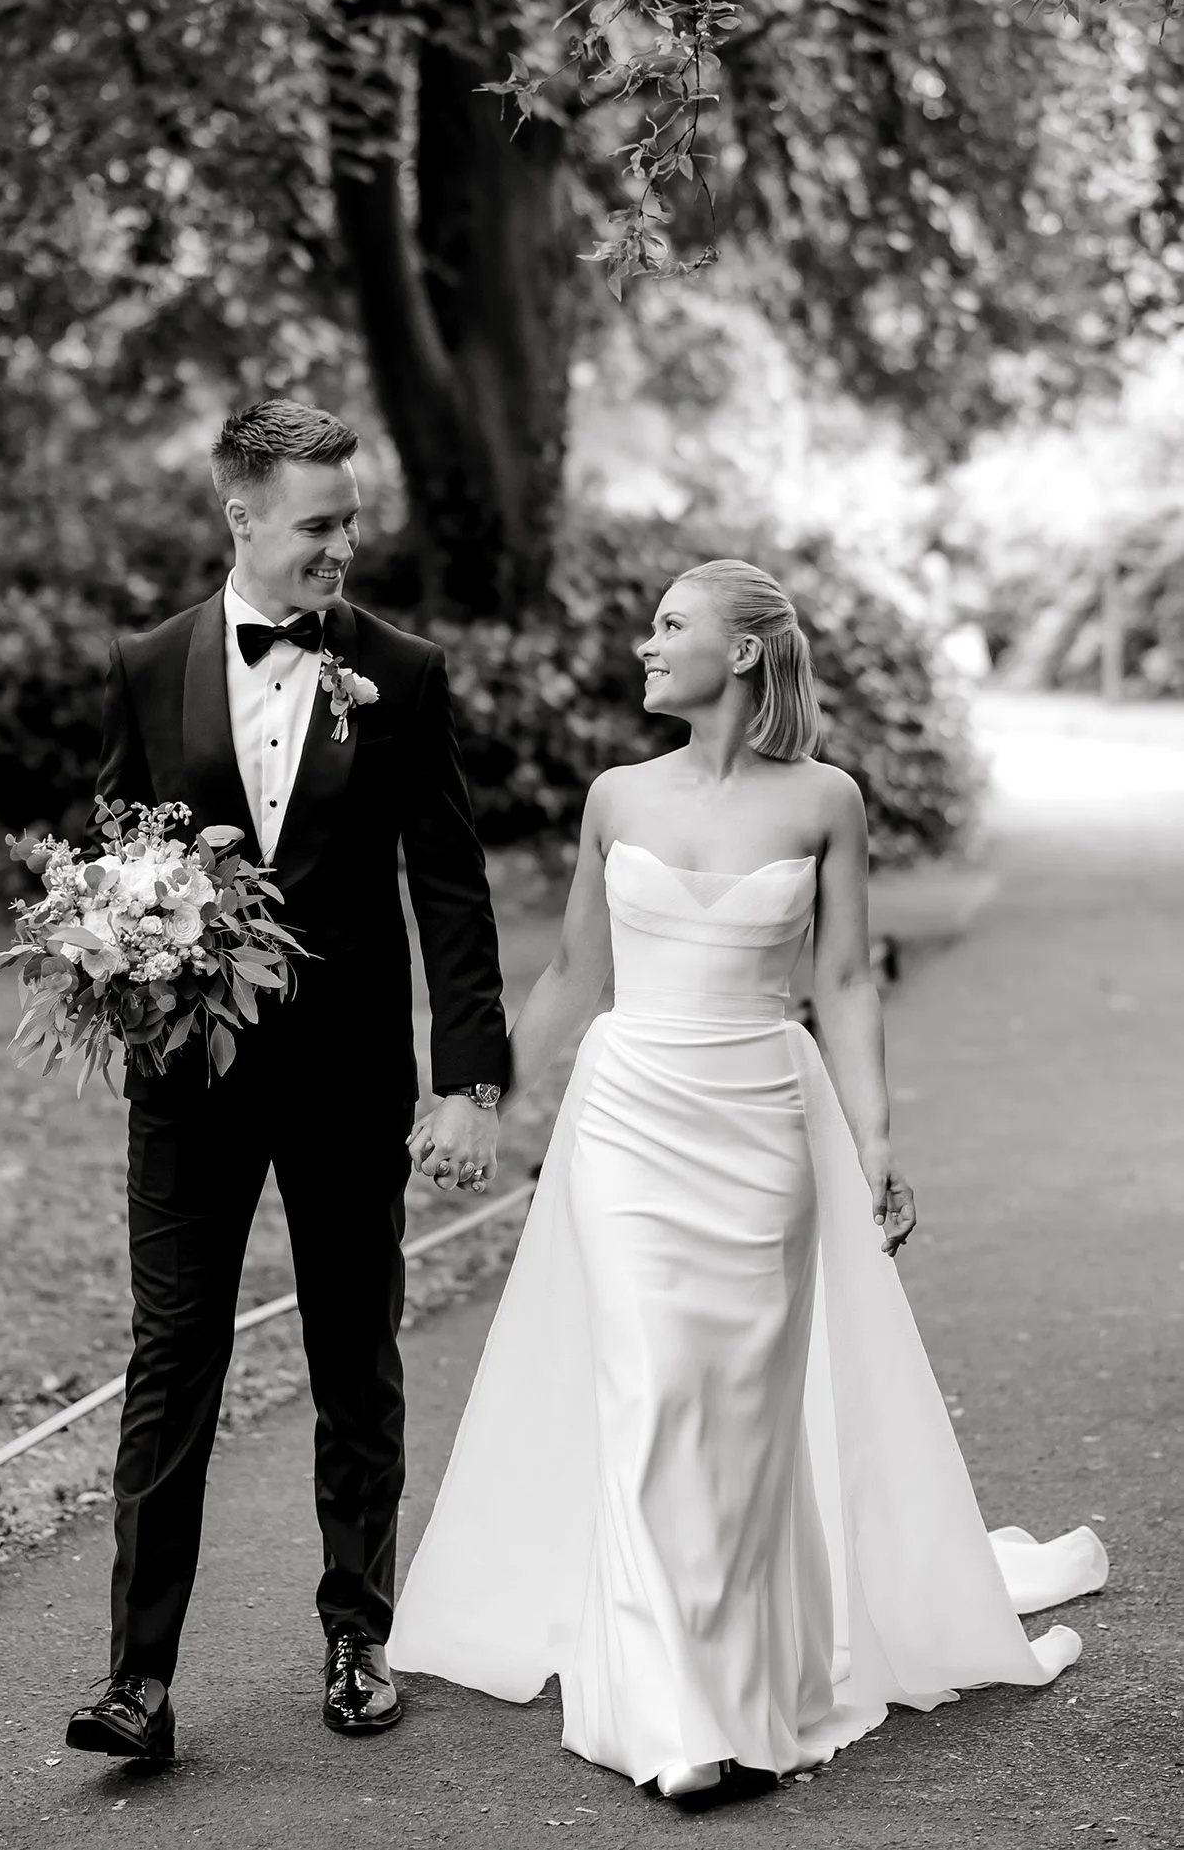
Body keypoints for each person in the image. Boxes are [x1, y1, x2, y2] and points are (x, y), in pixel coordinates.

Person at [390, 558, 1108, 1799]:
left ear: (743, 652)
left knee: (745, 1416)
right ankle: (673, 1720)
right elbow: (571, 974)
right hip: (626, 1123)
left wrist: (873, 1141)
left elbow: (843, 983)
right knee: (656, 1392)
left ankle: (749, 1679)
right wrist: (474, 1097)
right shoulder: (615, 796)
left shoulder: (825, 799)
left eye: (670, 626)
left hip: (764, 1121)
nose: (644, 645)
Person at [65, 399, 510, 1763]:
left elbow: (448, 884)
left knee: (350, 1352)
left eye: (349, 521)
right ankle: (136, 1679)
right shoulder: (147, 666)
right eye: (317, 524)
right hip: (185, 1088)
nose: (341, 547)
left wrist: (466, 1082)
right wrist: (112, 952)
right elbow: (112, 853)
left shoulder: (403, 673)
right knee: (170, 1359)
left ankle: (356, 1636)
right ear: (240, 515)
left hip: (345, 1076)